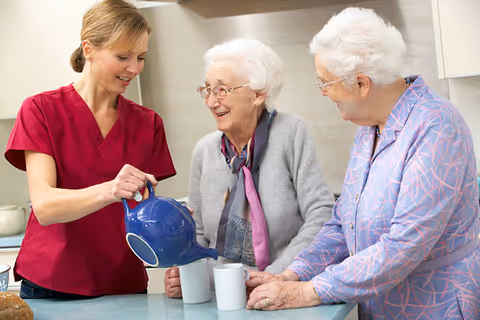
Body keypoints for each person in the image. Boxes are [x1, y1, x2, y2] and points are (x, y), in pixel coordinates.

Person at [245, 7, 480, 319]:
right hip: (380, 306)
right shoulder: (369, 128)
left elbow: (404, 245)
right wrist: (295, 273)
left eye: (325, 82)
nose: (324, 92)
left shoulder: (436, 127)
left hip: (435, 305)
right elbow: (344, 223)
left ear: (361, 83)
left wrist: (311, 291)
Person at [4, 0, 176, 299]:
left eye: (141, 57)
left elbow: (143, 211)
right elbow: (44, 206)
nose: (134, 68)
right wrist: (112, 189)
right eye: (123, 56)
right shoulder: (41, 110)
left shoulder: (148, 123)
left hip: (124, 282)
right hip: (53, 281)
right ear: (89, 49)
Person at [163, 38, 334, 298]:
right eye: (207, 90)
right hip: (222, 296)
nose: (211, 102)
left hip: (285, 290)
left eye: (222, 90)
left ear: (258, 93)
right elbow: (195, 234)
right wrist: (187, 275)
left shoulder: (292, 133)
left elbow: (320, 215)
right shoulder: (205, 151)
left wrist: (278, 275)